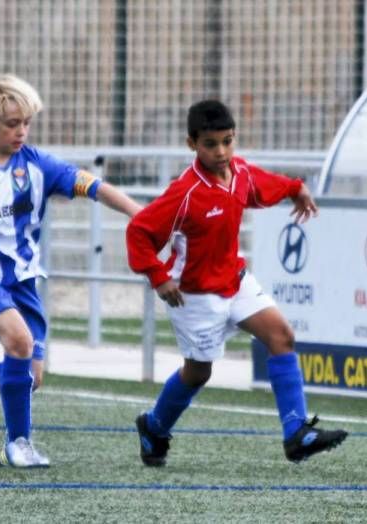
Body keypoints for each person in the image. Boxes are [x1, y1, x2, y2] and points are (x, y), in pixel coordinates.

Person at [0, 73, 141, 468]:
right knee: (18, 342)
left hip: (23, 280)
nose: (21, 132)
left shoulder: (38, 165)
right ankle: (17, 444)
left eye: (26, 123)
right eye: (12, 124)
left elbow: (93, 185)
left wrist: (140, 215)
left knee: (31, 377)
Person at [126, 100, 347, 467]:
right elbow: (139, 231)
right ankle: (154, 426)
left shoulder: (238, 172)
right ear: (191, 144)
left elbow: (261, 184)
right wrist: (159, 277)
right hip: (194, 296)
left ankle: (296, 432)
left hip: (235, 281)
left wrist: (295, 188)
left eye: (228, 141)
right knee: (198, 373)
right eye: (211, 144)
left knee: (282, 336)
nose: (222, 152)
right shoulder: (185, 192)